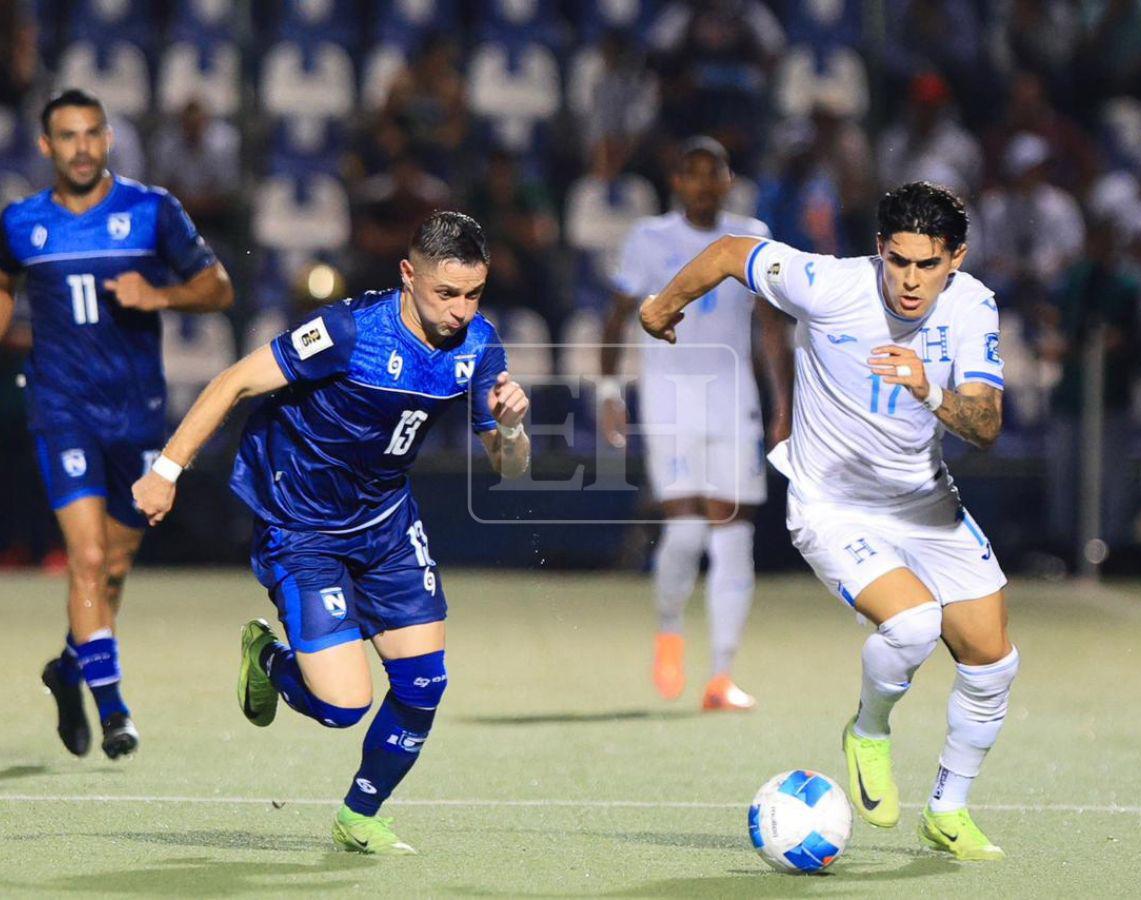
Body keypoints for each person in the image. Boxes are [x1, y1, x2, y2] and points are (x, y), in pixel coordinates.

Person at [132, 211, 530, 855]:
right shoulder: (348, 330)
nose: (461, 311)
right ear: (408, 275)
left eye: (473, 294)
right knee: (343, 707)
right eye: (447, 293)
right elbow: (234, 381)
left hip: (386, 526)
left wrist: (511, 427)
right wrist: (166, 471)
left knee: (424, 686)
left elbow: (509, 466)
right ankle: (268, 658)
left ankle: (359, 816)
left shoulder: (479, 346)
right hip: (303, 529)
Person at [640, 182, 1016, 860]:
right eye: (898, 260)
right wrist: (662, 305)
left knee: (992, 663)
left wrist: (928, 389)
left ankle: (947, 811)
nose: (910, 280)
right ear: (879, 249)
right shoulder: (827, 283)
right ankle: (868, 731)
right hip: (832, 505)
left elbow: (986, 425)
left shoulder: (972, 305)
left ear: (955, 259)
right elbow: (728, 252)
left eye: (927, 265)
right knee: (913, 626)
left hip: (925, 503)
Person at [0, 89, 234, 760]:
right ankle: (114, 710)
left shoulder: (151, 211)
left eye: (92, 134)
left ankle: (68, 671)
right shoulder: (20, 222)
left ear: (108, 140)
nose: (81, 148)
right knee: (88, 558)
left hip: (136, 414)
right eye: (67, 136)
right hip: (61, 409)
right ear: (46, 145)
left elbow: (219, 288)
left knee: (116, 565)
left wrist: (158, 293)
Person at [600, 136, 792, 711]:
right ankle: (669, 627)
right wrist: (609, 390)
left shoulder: (751, 237)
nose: (705, 183)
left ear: (729, 181)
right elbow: (616, 317)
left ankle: (722, 675)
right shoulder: (649, 238)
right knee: (684, 533)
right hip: (669, 399)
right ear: (676, 182)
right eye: (693, 173)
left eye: (715, 173)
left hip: (733, 401)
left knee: (733, 534)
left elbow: (771, 328)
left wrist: (784, 405)